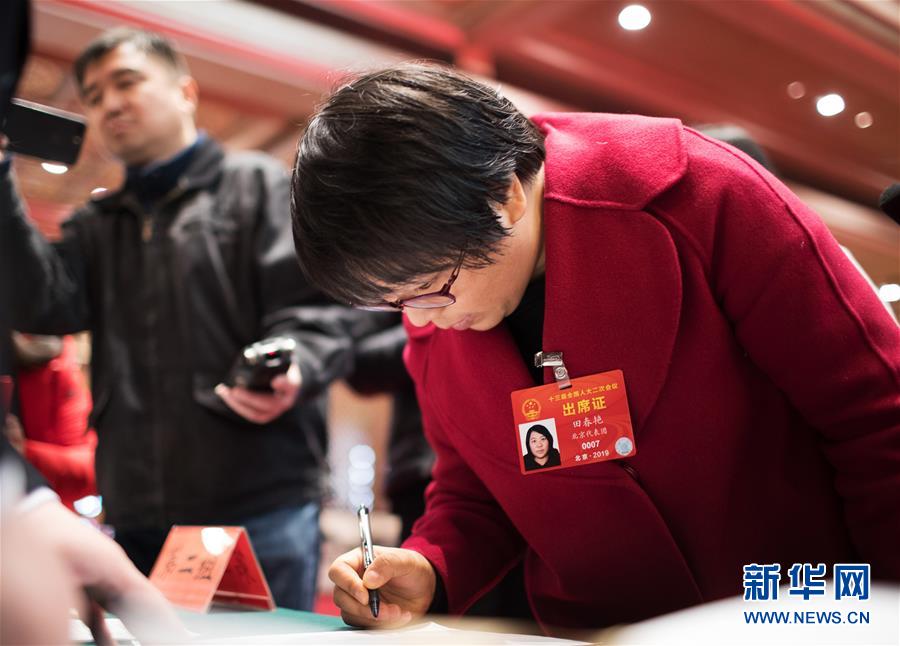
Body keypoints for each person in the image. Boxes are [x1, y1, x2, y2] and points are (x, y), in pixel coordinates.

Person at [290, 63, 900, 631]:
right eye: (395, 302)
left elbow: (875, 418)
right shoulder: (435, 308)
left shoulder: (698, 195)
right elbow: (475, 492)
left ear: (505, 197)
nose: (422, 320)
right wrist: (430, 567)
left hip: (790, 614)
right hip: (593, 631)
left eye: (431, 289)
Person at [1, 27, 356, 611]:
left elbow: (317, 313)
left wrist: (293, 365)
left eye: (126, 81)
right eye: (92, 94)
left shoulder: (258, 187)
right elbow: (41, 305)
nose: (108, 103)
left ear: (185, 91)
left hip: (258, 506)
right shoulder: (96, 223)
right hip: (138, 510)